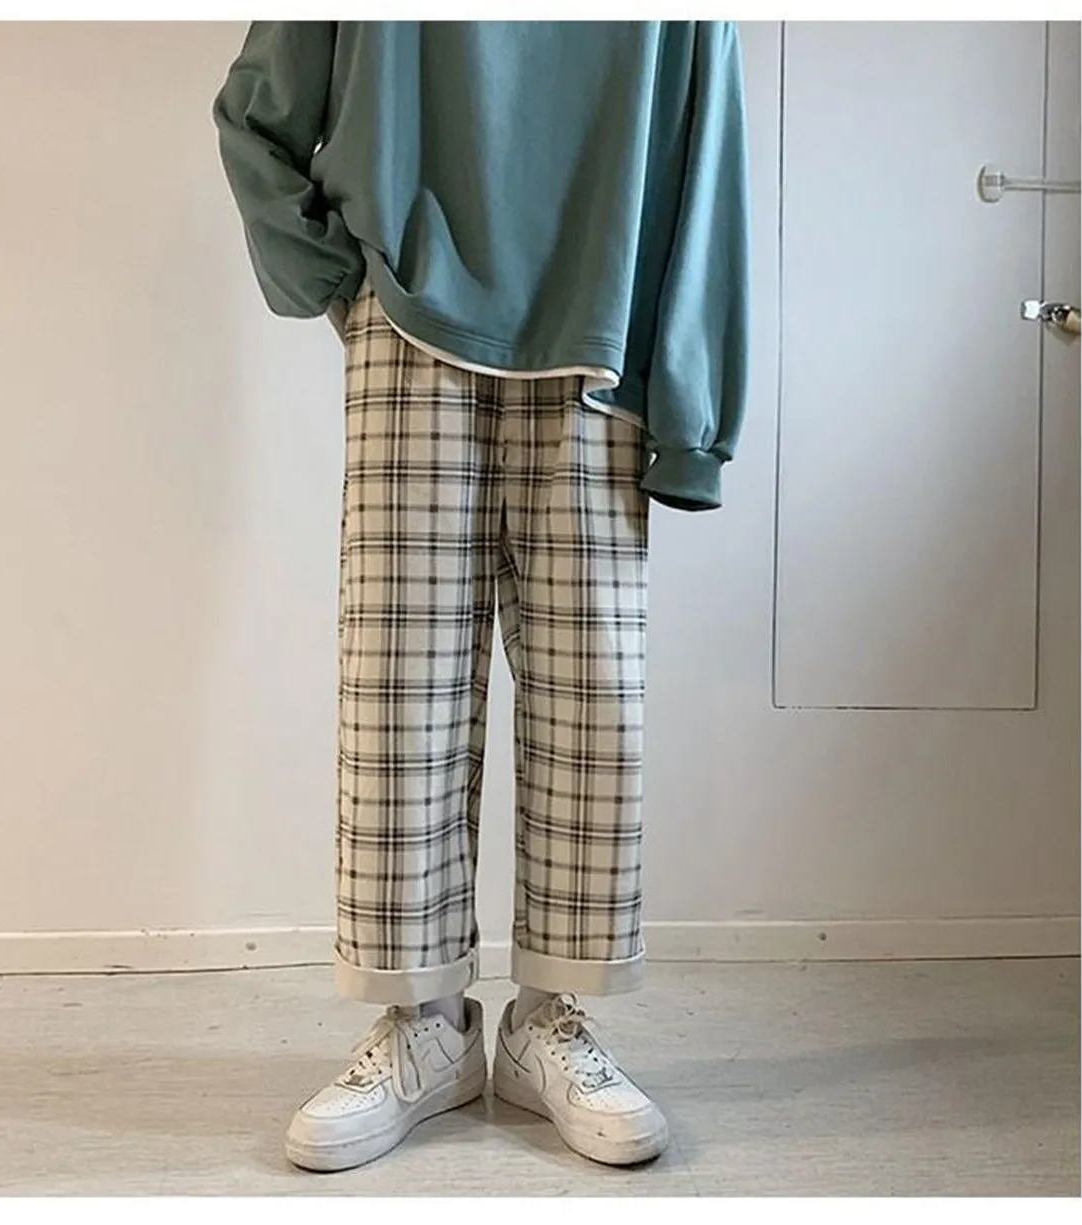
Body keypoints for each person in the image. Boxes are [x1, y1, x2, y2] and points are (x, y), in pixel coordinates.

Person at [212, 19, 749, 1173]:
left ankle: (549, 1018)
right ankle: (424, 1025)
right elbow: (259, 105)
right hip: (412, 319)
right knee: (398, 701)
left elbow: (707, 164)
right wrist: (334, 276)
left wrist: (692, 401)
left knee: (595, 704)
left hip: (603, 335)